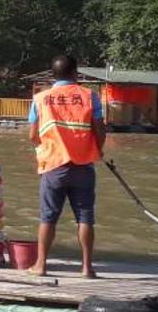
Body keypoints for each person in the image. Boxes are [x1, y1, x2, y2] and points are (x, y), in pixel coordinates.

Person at [30, 52, 105, 278]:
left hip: (54, 165)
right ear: (76, 73)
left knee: (48, 217)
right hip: (83, 165)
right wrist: (97, 151)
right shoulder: (89, 96)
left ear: (53, 75)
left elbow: (33, 135)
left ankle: (40, 265)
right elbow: (100, 131)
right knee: (85, 217)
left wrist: (44, 149)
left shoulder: (40, 98)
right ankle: (87, 268)